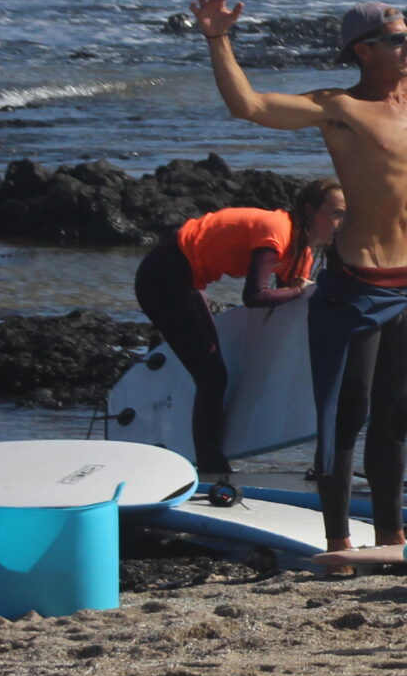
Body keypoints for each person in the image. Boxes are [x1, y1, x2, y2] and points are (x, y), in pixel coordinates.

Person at [189, 0, 407, 557]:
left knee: (393, 418)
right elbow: (250, 106)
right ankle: (338, 541)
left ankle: (392, 535)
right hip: (355, 287)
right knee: (345, 417)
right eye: (395, 40)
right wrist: (218, 40)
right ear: (363, 49)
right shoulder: (339, 109)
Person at [131, 178, 347, 476]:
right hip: (163, 277)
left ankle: (209, 459)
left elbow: (292, 313)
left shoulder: (301, 253)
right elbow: (255, 295)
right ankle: (211, 470)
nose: (343, 223)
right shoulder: (278, 231)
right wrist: (301, 291)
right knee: (212, 376)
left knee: (212, 372)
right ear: (310, 211)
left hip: (188, 281)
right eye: (337, 213)